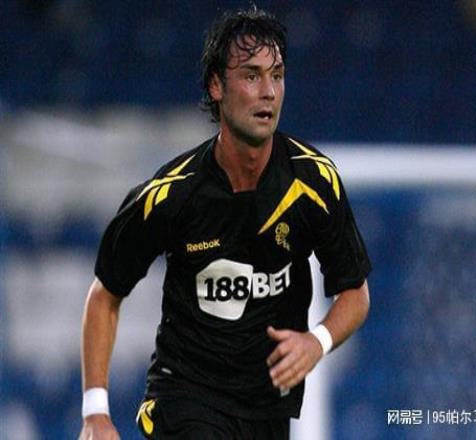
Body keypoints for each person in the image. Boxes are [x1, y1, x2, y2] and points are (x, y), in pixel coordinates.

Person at [79, 6, 371, 440]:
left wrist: (318, 341)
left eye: (277, 75)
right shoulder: (171, 195)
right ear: (217, 86)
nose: (268, 92)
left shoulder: (313, 182)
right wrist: (95, 413)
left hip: (267, 409)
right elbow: (105, 296)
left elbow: (355, 294)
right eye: (252, 76)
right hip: (185, 396)